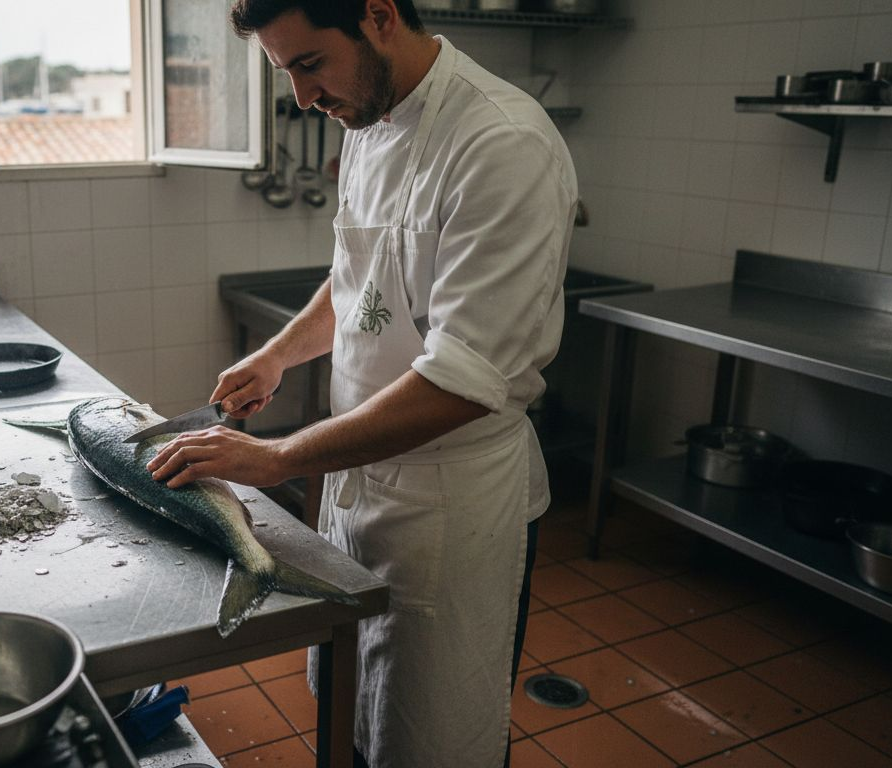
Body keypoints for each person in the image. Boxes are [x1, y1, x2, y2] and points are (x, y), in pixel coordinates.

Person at [147, 1, 577, 765]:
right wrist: (277, 354)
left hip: (450, 512)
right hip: (359, 489)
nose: (304, 97)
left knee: (436, 741)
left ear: (378, 15)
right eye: (287, 73)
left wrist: (279, 458)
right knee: (351, 714)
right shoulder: (369, 124)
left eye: (310, 64)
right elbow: (358, 277)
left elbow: (462, 381)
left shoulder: (500, 142)